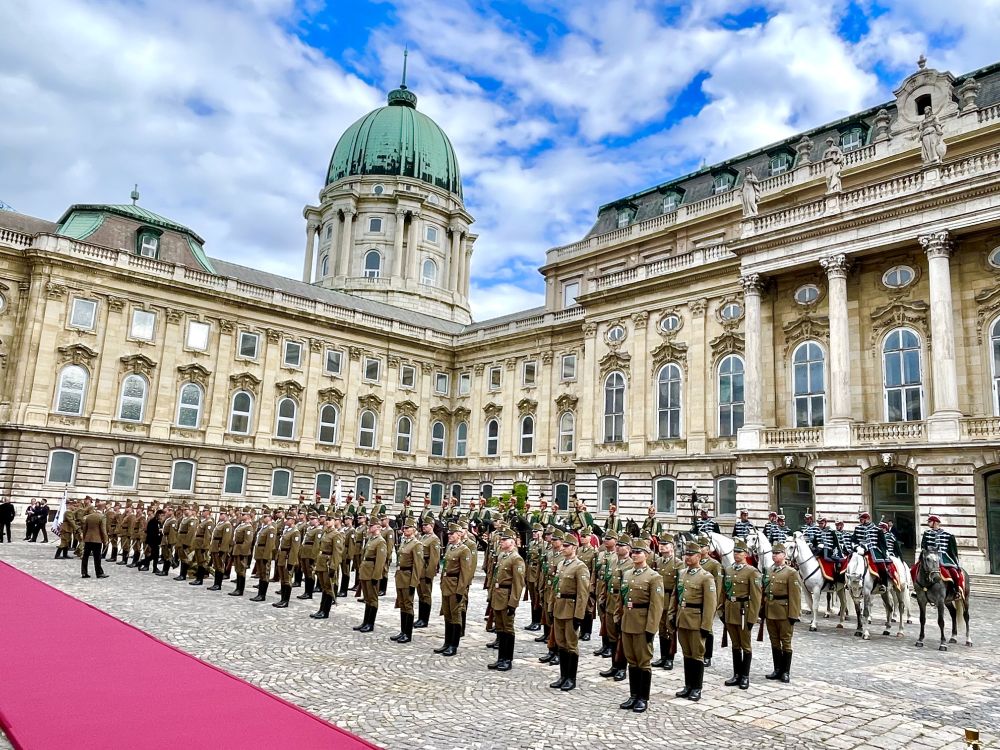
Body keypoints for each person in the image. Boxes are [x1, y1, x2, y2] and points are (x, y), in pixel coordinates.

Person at [617, 538, 664, 712]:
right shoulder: (627, 574)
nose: (635, 555)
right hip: (627, 622)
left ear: (647, 555)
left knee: (643, 661)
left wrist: (651, 629)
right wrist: (618, 618)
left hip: (642, 623)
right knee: (631, 660)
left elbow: (656, 606)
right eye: (634, 552)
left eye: (639, 552)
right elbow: (622, 599)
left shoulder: (654, 577)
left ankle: (643, 698)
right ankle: (633, 695)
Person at [673, 541, 717, 702]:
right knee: (686, 654)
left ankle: (697, 688)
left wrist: (706, 625)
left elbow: (710, 604)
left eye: (691, 555)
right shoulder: (682, 573)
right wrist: (672, 616)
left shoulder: (706, 577)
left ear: (699, 556)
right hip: (682, 618)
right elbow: (676, 597)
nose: (687, 557)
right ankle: (688, 685)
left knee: (697, 655)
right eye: (686, 554)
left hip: (696, 620)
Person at [548, 534, 590, 691]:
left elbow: (582, 594)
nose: (563, 548)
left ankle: (571, 678)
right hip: (559, 607)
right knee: (561, 643)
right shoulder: (561, 564)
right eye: (563, 545)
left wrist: (579, 615)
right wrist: (551, 607)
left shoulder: (580, 567)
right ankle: (563, 676)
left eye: (566, 546)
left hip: (570, 609)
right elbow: (555, 588)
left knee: (571, 644)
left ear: (574, 547)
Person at [721, 539, 762, 690]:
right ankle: (736, 674)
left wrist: (752, 617)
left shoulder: (752, 571)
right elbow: (723, 591)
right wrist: (721, 610)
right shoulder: (729, 570)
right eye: (735, 551)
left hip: (743, 611)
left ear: (746, 554)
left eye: (739, 552)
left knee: (745, 645)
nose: (736, 554)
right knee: (735, 644)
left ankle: (745, 676)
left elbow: (756, 597)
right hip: (730, 609)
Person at [435, 522, 475, 656]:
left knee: (455, 616)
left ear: (459, 534)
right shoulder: (450, 547)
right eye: (449, 534)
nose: (449, 536)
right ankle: (447, 643)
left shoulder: (464, 550)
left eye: (452, 534)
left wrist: (460, 591)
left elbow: (465, 573)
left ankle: (454, 645)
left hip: (455, 585)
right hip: (446, 585)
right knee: (447, 615)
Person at [487, 529, 525, 671]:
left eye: (504, 540)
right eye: (501, 539)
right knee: (500, 628)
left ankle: (507, 659)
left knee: (508, 629)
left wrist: (513, 603)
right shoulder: (503, 555)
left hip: (506, 597)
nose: (501, 542)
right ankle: (500, 658)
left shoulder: (516, 558)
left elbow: (518, 583)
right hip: (498, 596)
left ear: (512, 542)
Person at [764, 543, 802, 683]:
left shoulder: (791, 572)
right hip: (770, 610)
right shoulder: (769, 570)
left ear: (784, 555)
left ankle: (785, 671)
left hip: (784, 612)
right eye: (773, 553)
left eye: (777, 553)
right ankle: (777, 669)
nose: (774, 555)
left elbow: (795, 596)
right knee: (774, 641)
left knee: (785, 642)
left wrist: (793, 615)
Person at [599, 534, 633, 682]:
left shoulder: (631, 565)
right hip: (610, 602)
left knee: (621, 637)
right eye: (618, 545)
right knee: (612, 636)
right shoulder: (612, 561)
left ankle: (622, 668)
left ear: (629, 548)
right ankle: (614, 665)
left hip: (622, 605)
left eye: (622, 545)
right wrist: (602, 597)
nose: (618, 547)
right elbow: (606, 581)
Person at [391, 515, 424, 644]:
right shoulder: (405, 542)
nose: (404, 530)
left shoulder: (416, 544)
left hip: (408, 577)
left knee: (408, 605)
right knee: (402, 605)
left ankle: (408, 633)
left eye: (407, 528)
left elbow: (418, 565)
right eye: (404, 528)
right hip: (401, 576)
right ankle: (403, 631)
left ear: (414, 529)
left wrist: (413, 583)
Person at [652, 534, 683, 670]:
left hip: (671, 598)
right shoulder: (657, 562)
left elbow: (679, 585)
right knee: (661, 629)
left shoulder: (678, 563)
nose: (662, 547)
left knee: (670, 628)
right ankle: (663, 656)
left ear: (672, 547)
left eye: (665, 545)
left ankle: (670, 657)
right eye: (661, 544)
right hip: (659, 599)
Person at [354, 519, 388, 632]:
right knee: (367, 598)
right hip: (365, 571)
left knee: (372, 599)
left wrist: (376, 576)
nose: (369, 527)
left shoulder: (380, 541)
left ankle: (370, 623)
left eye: (372, 525)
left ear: (378, 527)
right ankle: (365, 622)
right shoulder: (371, 539)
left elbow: (380, 562)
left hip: (372, 573)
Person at [698, 535, 723, 667]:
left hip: (708, 600)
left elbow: (718, 585)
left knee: (708, 628)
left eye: (702, 546)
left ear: (708, 549)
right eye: (699, 546)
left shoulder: (714, 564)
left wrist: (715, 603)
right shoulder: (695, 562)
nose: (700, 549)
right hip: (696, 600)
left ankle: (707, 655)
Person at [920, 514, 964, 589]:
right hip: (930, 557)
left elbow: (953, 550)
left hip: (944, 557)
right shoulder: (926, 533)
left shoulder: (948, 535)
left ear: (935, 522)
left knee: (954, 572)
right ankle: (917, 589)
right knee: (915, 570)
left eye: (930, 521)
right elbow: (923, 546)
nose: (928, 523)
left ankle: (956, 590)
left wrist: (956, 561)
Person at [414, 514, 441, 628]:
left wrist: (430, 574)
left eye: (426, 525)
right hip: (420, 569)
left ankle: (424, 619)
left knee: (426, 595)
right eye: (423, 525)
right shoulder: (422, 537)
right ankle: (420, 618)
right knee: (420, 594)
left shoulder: (434, 539)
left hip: (426, 570)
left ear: (432, 526)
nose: (423, 527)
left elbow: (434, 559)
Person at [852, 511, 889, 589]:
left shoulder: (877, 529)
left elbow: (882, 543)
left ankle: (883, 584)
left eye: (862, 519)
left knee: (881, 565)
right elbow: (853, 541)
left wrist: (884, 552)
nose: (860, 521)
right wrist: (857, 547)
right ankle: (847, 581)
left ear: (867, 519)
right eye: (860, 519)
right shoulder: (857, 528)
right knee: (847, 562)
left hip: (873, 551)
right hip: (860, 551)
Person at [273, 516, 301, 608]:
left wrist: (291, 562)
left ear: (293, 520)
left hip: (287, 557)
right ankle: (282, 599)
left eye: (288, 519)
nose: (285, 520)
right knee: (282, 579)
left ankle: (286, 601)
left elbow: (294, 549)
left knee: (287, 580)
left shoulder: (295, 532)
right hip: (282, 556)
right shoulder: (287, 530)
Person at [80, 500, 109, 580]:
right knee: (97, 557)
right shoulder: (102, 517)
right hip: (97, 539)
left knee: (85, 556)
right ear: (103, 508)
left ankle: (84, 572)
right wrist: (105, 540)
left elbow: (85, 528)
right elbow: (103, 530)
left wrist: (85, 537)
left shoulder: (89, 516)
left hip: (88, 539)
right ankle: (99, 573)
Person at [229, 510, 254, 596]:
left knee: (241, 570)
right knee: (237, 569)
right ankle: (237, 588)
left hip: (242, 551)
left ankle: (240, 589)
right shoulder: (241, 525)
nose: (241, 515)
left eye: (243, 514)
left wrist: (243, 552)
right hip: (237, 549)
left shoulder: (248, 527)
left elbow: (248, 541)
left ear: (248, 516)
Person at [297, 515, 322, 600]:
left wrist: (313, 556)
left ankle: (309, 593)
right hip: (304, 553)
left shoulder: (318, 530)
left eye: (313, 519)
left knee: (310, 574)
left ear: (317, 520)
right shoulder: (309, 529)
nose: (310, 520)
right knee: (306, 573)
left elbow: (316, 545)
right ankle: (306, 592)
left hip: (310, 554)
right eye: (310, 519)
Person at [207, 510, 233, 590]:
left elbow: (226, 539)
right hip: (215, 547)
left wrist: (222, 549)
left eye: (222, 514)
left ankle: (218, 584)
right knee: (216, 566)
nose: (220, 515)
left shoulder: (227, 525)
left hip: (219, 548)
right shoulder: (220, 524)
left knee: (220, 566)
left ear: (226, 515)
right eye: (220, 514)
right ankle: (216, 583)